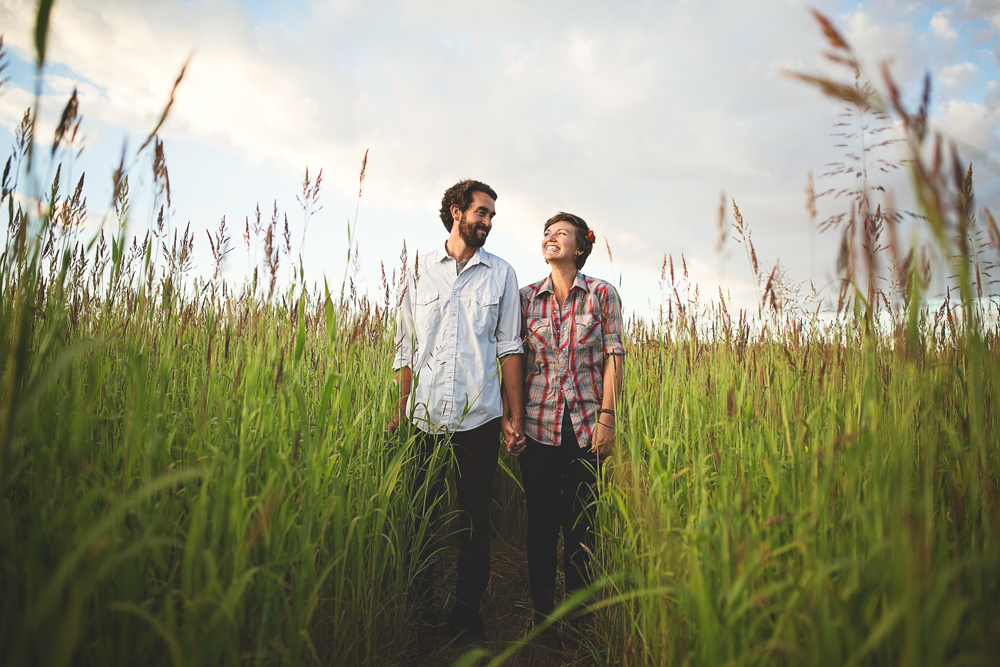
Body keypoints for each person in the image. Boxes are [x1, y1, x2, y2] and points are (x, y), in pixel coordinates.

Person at [388, 179, 526, 640]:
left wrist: (513, 417)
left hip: (479, 420)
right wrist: (400, 407)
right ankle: (420, 610)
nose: (487, 222)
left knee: (474, 522)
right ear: (455, 211)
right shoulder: (418, 271)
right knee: (421, 516)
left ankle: (466, 619)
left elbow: (509, 349)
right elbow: (406, 346)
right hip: (424, 418)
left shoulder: (502, 274)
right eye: (481, 213)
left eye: (490, 216)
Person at [503, 211, 624, 638]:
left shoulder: (603, 295)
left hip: (586, 428)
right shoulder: (523, 298)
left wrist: (607, 416)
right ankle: (543, 617)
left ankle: (577, 616)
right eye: (547, 233)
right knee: (541, 521)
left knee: (580, 524)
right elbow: (511, 360)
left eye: (562, 234)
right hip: (537, 426)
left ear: (580, 247)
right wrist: (509, 418)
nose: (551, 238)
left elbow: (614, 356)